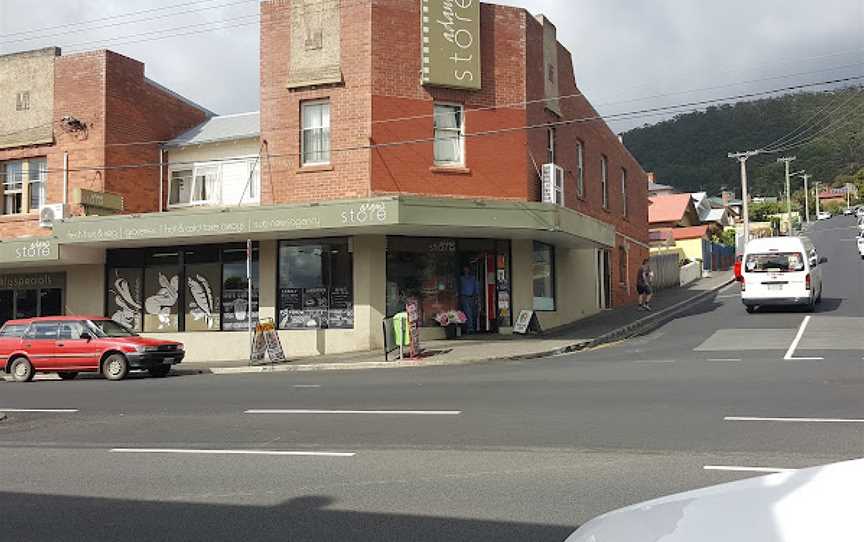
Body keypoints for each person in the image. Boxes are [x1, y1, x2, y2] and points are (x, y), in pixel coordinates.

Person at [459, 265, 480, 332]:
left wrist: (477, 297)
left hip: (472, 297)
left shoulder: (473, 278)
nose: (466, 270)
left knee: (473, 313)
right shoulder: (461, 278)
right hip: (464, 297)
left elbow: (476, 287)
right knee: (468, 312)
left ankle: (473, 326)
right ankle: (470, 328)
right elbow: (459, 287)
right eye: (465, 269)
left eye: (467, 268)